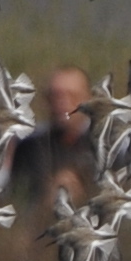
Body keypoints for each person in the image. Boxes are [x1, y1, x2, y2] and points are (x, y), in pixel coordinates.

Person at [13, 65, 98, 210]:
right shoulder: (29, 147)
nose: (63, 103)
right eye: (56, 96)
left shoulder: (107, 145)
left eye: (72, 96)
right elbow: (17, 196)